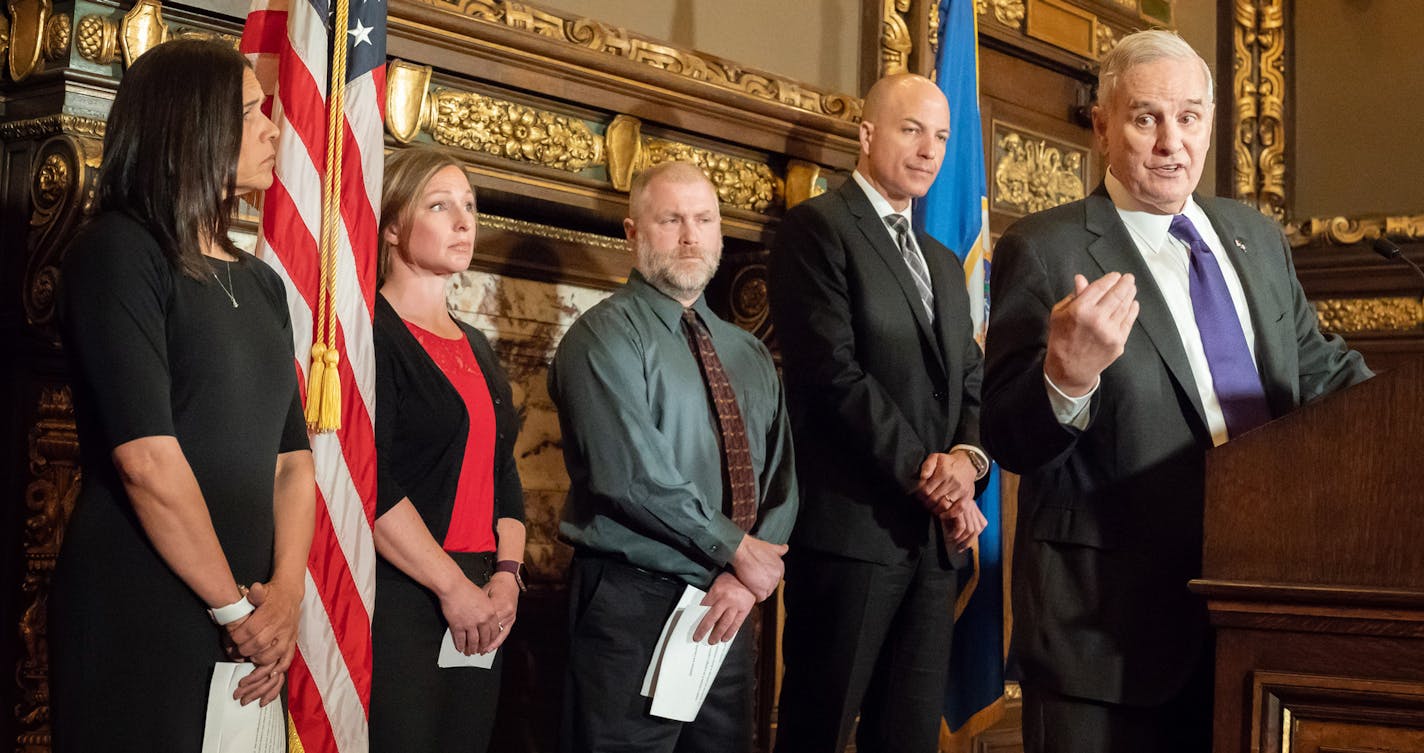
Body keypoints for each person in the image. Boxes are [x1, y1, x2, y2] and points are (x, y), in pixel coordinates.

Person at [981, 30, 1372, 753]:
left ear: (1211, 124)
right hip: (1107, 641)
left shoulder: (1253, 234)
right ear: (1102, 126)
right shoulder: (1047, 248)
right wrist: (1067, 375)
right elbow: (1009, 435)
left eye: (1189, 117)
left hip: (1259, 615)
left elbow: (1322, 373)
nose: (1171, 142)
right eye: (1146, 118)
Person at [50, 38, 313, 751]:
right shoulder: (117, 251)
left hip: (251, 621)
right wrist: (234, 608)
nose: (273, 129)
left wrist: (285, 599)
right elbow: (147, 460)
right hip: (143, 606)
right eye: (253, 113)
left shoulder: (261, 282)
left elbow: (293, 463)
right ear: (191, 123)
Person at [768, 73, 990, 753]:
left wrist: (967, 459)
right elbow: (833, 373)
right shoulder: (819, 230)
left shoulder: (946, 264)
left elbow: (970, 381)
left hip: (930, 546)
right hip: (851, 536)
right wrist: (928, 471)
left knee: (907, 738)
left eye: (943, 136)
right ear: (867, 135)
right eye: (911, 129)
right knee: (819, 726)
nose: (930, 150)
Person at [550, 161, 798, 753]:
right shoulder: (601, 337)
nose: (690, 236)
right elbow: (629, 474)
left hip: (728, 607)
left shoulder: (749, 352)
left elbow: (783, 477)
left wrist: (745, 578)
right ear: (633, 233)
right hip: (631, 604)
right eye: (671, 220)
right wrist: (740, 550)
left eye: (704, 220)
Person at [369, 145, 527, 752]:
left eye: (469, 205)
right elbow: (370, 480)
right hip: (406, 592)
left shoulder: (478, 346)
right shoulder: (371, 334)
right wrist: (450, 587)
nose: (464, 222)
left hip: (483, 594)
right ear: (390, 226)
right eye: (439, 206)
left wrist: (507, 576)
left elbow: (503, 472)